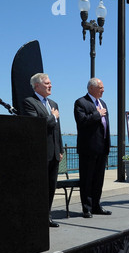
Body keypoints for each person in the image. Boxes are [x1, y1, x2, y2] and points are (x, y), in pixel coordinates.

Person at [23, 73, 64, 228]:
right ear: (37, 86)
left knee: (51, 187)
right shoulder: (29, 102)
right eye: (47, 83)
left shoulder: (53, 103)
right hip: (40, 154)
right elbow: (35, 126)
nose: (50, 85)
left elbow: (57, 130)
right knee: (40, 188)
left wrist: (60, 149)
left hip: (54, 153)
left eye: (50, 83)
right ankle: (37, 218)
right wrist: (52, 117)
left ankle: (47, 216)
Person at [74, 78, 112, 218]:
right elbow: (82, 121)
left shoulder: (103, 103)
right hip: (88, 149)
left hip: (102, 148)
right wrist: (97, 114)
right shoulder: (81, 102)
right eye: (101, 87)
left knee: (98, 180)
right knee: (87, 179)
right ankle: (87, 208)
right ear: (91, 88)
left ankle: (97, 206)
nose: (103, 90)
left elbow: (105, 127)